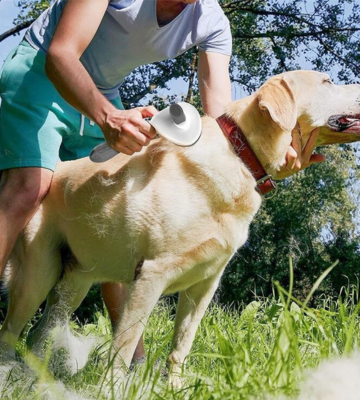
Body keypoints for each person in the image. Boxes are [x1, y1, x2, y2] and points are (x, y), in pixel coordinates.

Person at [0, 0, 324, 364]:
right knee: (29, 188)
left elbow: (223, 125)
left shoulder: (212, 22)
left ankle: (132, 365)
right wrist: (109, 117)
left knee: (118, 200)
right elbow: (61, 54)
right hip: (41, 70)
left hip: (101, 89)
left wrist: (271, 161)